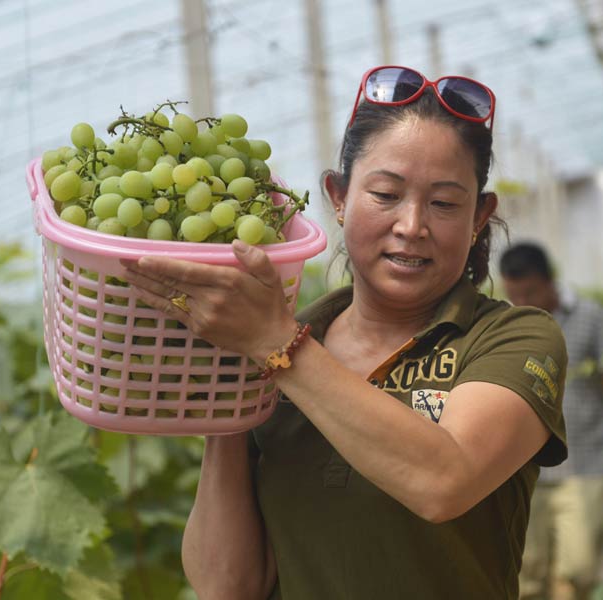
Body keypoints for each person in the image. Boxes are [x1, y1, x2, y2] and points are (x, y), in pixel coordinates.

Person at [122, 65, 569, 599]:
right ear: (337, 197)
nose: (412, 226)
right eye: (385, 194)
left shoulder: (513, 338)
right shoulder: (279, 344)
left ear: (480, 216)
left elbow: (443, 481)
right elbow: (227, 586)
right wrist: (232, 393)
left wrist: (276, 347)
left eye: (445, 203)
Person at [498, 242, 603, 600]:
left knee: (582, 566)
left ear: (550, 281)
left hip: (583, 462)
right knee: (526, 573)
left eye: (530, 291)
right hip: (525, 470)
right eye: (514, 294)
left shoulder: (592, 317)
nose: (522, 301)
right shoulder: (507, 326)